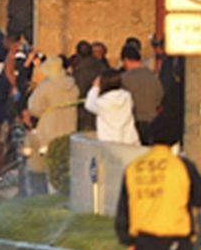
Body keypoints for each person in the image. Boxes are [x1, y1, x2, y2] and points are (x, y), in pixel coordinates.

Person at [115, 114, 201, 250]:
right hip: (175, 242)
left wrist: (129, 241)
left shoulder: (134, 167)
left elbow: (124, 209)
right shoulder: (182, 166)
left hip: (145, 243)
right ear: (175, 139)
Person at [26, 57, 78, 195]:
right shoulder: (73, 85)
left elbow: (34, 108)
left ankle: (52, 192)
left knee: (50, 163)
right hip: (70, 126)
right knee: (67, 163)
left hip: (50, 128)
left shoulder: (46, 86)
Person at [119, 45, 163, 145]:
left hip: (135, 122)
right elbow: (160, 96)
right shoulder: (153, 77)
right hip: (153, 121)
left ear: (126, 60)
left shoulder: (124, 79)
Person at [85, 70, 138, 145]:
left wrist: (95, 88)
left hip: (110, 143)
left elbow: (89, 104)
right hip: (129, 139)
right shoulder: (127, 96)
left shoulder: (102, 102)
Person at [73, 41, 104, 132]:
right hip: (101, 109)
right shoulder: (102, 66)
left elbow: (79, 91)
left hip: (85, 112)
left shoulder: (80, 70)